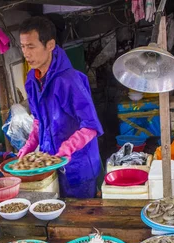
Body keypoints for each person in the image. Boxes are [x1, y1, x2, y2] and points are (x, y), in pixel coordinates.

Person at [17, 16, 103, 198]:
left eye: (31, 46)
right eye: (23, 47)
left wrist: (68, 148)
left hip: (79, 167)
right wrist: (29, 145)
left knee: (80, 219)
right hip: (52, 163)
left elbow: (90, 126)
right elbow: (39, 120)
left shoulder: (69, 80)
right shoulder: (32, 80)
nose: (26, 53)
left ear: (50, 45)